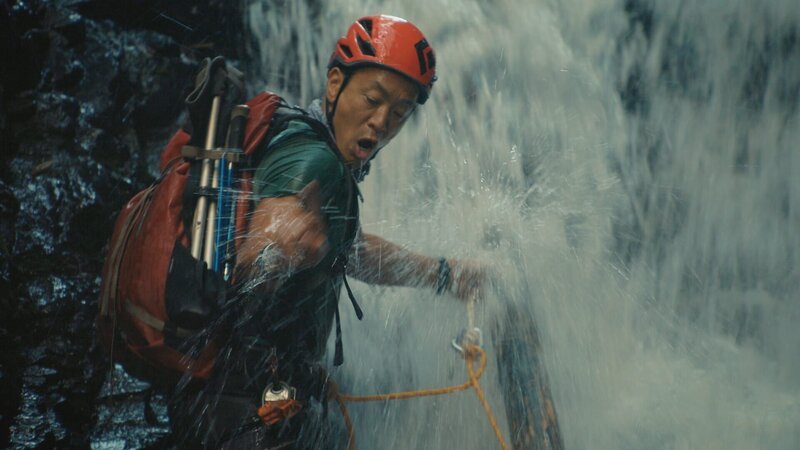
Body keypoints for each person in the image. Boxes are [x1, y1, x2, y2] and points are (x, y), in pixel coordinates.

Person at [168, 15, 487, 449]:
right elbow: (262, 245)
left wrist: (446, 275)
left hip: (223, 395)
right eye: (373, 100)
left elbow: (349, 251)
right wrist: (278, 252)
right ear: (335, 83)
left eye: (399, 112)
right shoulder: (317, 162)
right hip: (250, 409)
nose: (382, 122)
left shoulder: (298, 134)